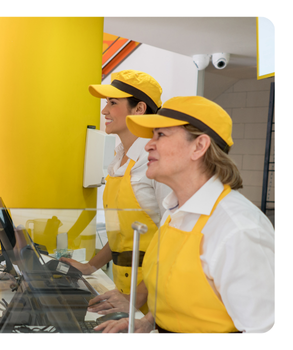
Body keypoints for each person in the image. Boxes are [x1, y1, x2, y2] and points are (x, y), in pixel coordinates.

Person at [95, 96, 274, 333]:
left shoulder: (238, 230)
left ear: (199, 146)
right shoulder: (175, 211)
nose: (148, 144)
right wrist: (147, 322)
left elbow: (266, 334)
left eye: (161, 135)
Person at [60, 70, 171, 313]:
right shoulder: (119, 159)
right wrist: (89, 267)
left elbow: (174, 242)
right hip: (125, 291)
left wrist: (136, 298)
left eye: (112, 103)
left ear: (139, 109)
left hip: (154, 298)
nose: (104, 111)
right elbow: (122, 234)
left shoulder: (154, 163)